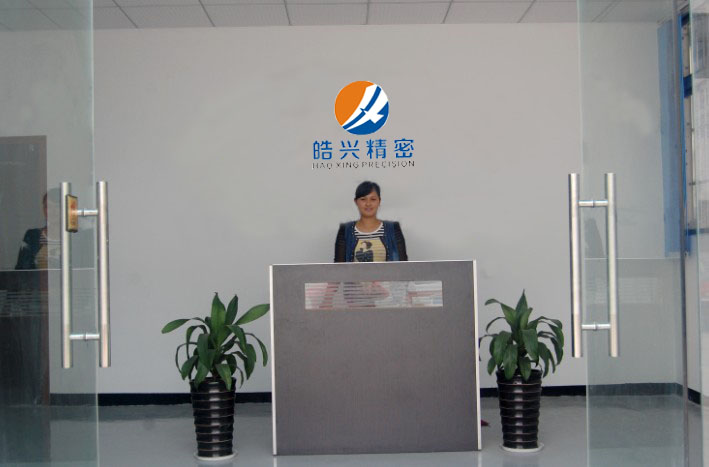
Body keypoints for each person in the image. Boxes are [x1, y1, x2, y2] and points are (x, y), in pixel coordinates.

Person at [334, 181, 407, 263]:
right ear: (356, 201)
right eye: (363, 199)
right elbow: (338, 267)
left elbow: (404, 266)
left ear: (379, 201)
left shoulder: (393, 229)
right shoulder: (345, 230)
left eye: (373, 199)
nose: (368, 204)